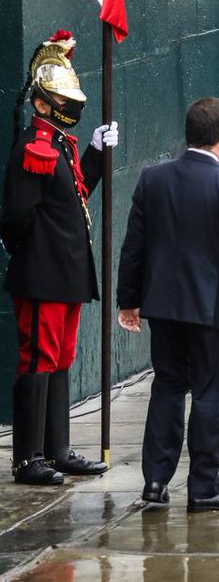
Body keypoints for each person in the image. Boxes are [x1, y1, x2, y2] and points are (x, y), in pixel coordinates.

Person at [118, 98, 219, 512]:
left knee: (167, 388)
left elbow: (133, 248)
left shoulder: (153, 180)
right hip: (213, 312)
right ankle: (204, 485)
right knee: (209, 394)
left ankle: (155, 482)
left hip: (164, 308)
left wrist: (128, 301)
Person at [2, 30, 116, 485]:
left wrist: (95, 153)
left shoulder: (62, 146)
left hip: (65, 272)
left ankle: (57, 448)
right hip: (43, 273)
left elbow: (76, 196)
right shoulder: (35, 146)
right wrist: (35, 256)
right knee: (38, 358)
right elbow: (16, 217)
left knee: (61, 357)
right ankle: (28, 457)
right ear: (43, 104)